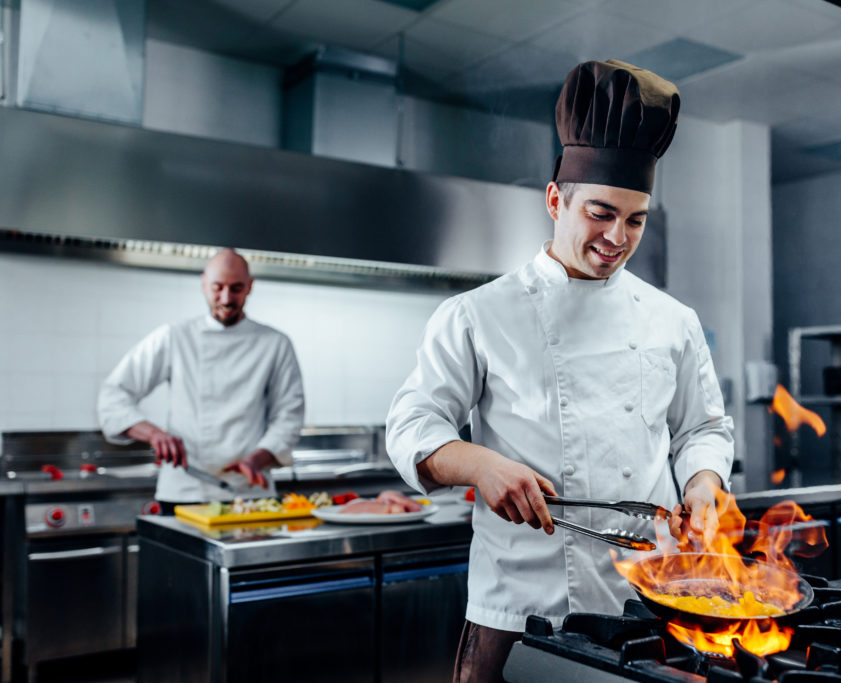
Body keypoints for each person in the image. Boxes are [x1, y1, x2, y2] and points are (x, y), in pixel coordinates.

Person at [385, 59, 734, 682]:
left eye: (635, 219)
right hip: (517, 608)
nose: (617, 237)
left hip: (647, 601)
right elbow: (412, 423)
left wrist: (703, 486)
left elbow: (701, 429)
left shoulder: (671, 319)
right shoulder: (477, 314)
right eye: (600, 213)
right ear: (556, 200)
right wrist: (480, 464)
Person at [97, 248, 305, 510]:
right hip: (184, 491)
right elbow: (114, 394)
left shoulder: (275, 344)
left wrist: (256, 460)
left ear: (250, 286)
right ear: (204, 283)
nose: (226, 298)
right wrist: (154, 434)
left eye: (237, 288)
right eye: (218, 288)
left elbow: (289, 416)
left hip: (250, 494)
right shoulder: (175, 336)